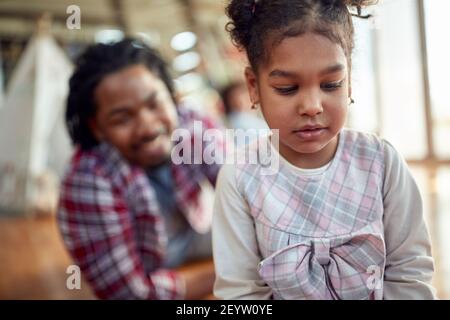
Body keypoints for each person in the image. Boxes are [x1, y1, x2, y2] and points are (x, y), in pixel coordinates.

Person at [212, 0, 436, 300]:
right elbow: (240, 294)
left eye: (331, 84)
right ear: (253, 87)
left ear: (350, 82)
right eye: (287, 88)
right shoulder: (241, 177)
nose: (312, 106)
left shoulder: (381, 162)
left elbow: (410, 273)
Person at [58, 39, 221, 299]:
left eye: (155, 104)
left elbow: (243, 186)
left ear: (172, 97)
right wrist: (231, 275)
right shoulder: (87, 180)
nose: (147, 127)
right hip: (149, 262)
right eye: (122, 118)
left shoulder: (191, 122)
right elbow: (129, 294)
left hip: (196, 230)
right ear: (96, 127)